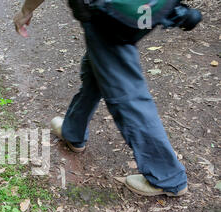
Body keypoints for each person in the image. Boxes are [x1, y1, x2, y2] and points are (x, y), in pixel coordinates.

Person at [13, 0, 188, 197]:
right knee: (98, 65)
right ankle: (73, 131)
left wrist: (25, 11)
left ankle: (167, 176)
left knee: (126, 92)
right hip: (139, 9)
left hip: (108, 13)